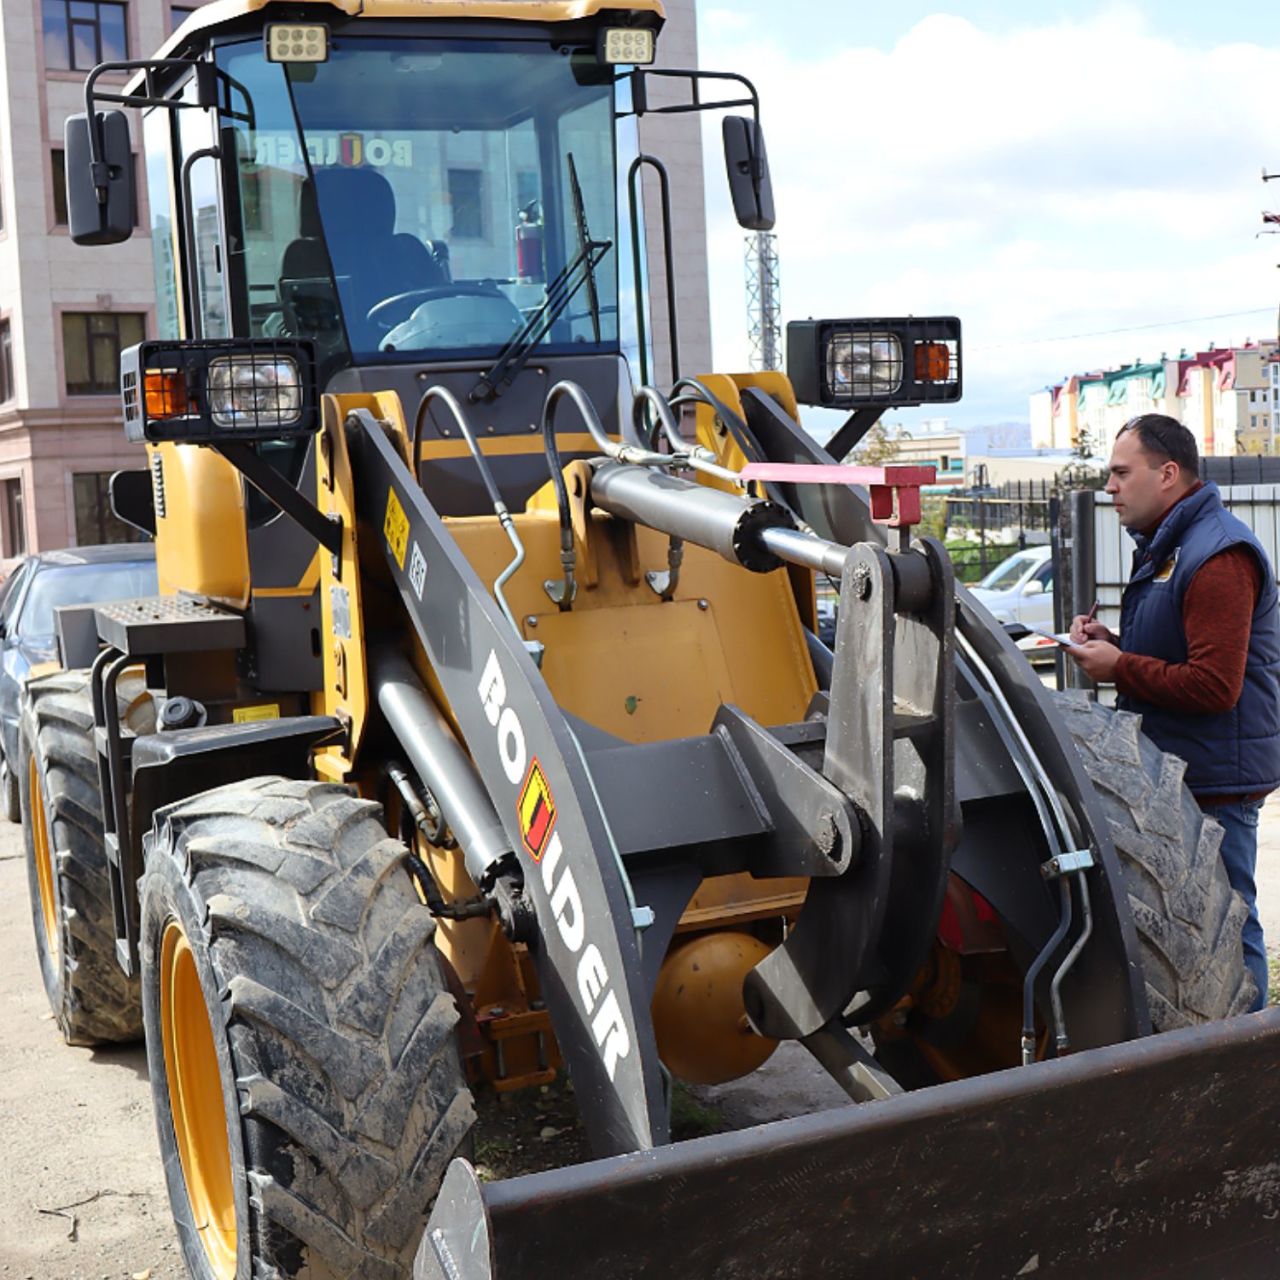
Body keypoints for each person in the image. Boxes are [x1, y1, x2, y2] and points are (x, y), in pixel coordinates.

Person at [1068, 414, 1280, 1011]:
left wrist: (1118, 667)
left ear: (1167, 474)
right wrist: (1114, 643)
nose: (1109, 486)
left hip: (1214, 783)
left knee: (1229, 929)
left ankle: (1250, 1072)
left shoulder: (1218, 555)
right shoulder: (1174, 546)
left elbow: (1214, 686)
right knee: (1197, 932)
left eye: (1120, 472)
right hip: (1179, 775)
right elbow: (1178, 652)